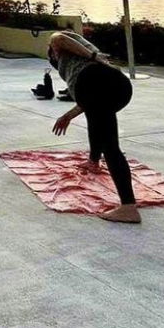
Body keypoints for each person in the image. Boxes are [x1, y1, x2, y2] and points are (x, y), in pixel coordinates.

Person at [47, 30, 140, 224]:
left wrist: (94, 56)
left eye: (53, 58)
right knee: (96, 118)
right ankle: (94, 161)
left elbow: (61, 38)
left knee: (111, 147)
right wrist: (67, 116)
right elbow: (88, 103)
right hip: (118, 86)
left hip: (95, 84)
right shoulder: (86, 61)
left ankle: (128, 207)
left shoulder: (59, 41)